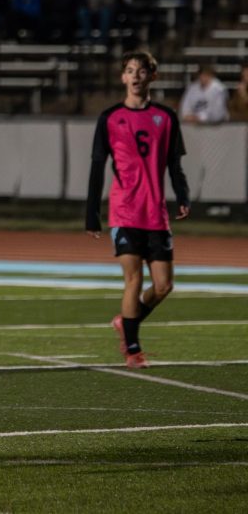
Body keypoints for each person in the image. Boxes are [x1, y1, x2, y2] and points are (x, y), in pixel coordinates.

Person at [85, 51, 190, 369]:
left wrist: (182, 194)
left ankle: (125, 323)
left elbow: (174, 163)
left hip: (155, 212)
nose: (135, 76)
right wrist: (92, 212)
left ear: (152, 77)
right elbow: (97, 166)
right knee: (133, 280)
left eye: (142, 71)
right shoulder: (110, 118)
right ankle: (133, 349)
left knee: (163, 286)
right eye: (130, 71)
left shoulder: (166, 117)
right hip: (125, 211)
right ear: (122, 77)